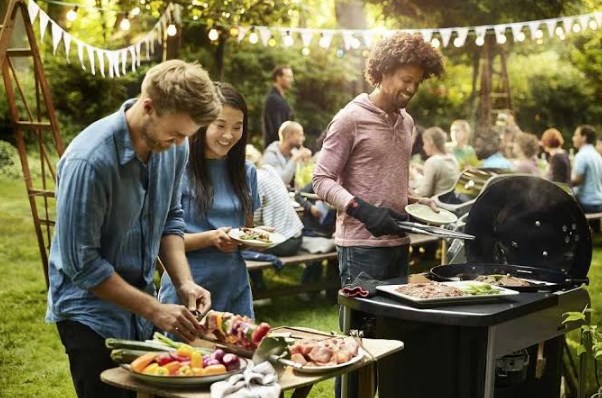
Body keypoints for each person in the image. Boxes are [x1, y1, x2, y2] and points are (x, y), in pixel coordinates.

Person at [45, 60, 220, 398]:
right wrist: (154, 309)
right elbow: (82, 265)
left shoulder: (175, 146)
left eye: (187, 135)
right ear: (149, 106)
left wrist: (184, 282)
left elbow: (171, 217)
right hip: (88, 313)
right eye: (176, 133)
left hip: (138, 305)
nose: (181, 142)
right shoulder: (89, 161)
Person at [312, 32, 444, 398]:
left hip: (397, 244)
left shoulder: (407, 123)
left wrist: (416, 200)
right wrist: (360, 209)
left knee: (392, 342)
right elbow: (320, 180)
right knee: (357, 347)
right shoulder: (350, 118)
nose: (412, 87)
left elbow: (387, 181)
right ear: (383, 71)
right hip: (361, 249)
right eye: (406, 79)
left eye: (417, 81)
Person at [158, 83, 260, 321]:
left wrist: (255, 238)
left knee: (240, 356)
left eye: (237, 127)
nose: (228, 135)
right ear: (202, 123)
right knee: (185, 358)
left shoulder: (247, 172)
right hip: (188, 287)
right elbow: (161, 242)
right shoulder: (177, 169)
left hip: (235, 286)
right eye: (220, 125)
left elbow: (246, 232)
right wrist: (211, 238)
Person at [246, 144, 304, 291]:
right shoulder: (269, 171)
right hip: (296, 236)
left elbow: (253, 222)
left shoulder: (253, 180)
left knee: (241, 248)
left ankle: (258, 290)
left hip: (283, 242)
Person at [263, 120, 312, 186]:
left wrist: (306, 162)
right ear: (288, 135)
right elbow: (281, 180)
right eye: (300, 135)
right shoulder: (270, 155)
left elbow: (304, 181)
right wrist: (295, 159)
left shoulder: (294, 153)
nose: (303, 138)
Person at [414, 126, 460, 197]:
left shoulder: (432, 162)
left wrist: (410, 192)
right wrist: (423, 169)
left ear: (430, 142)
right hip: (449, 199)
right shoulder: (452, 158)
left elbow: (425, 192)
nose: (423, 147)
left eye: (425, 143)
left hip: (436, 202)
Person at [571, 125, 602, 213]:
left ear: (584, 138)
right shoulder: (597, 155)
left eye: (576, 135)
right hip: (599, 202)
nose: (573, 138)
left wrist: (564, 181)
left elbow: (577, 180)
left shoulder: (582, 155)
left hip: (586, 203)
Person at [262, 65, 295, 148]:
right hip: (277, 149)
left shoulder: (279, 98)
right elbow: (277, 129)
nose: (292, 80)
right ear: (278, 78)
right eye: (288, 77)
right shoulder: (274, 99)